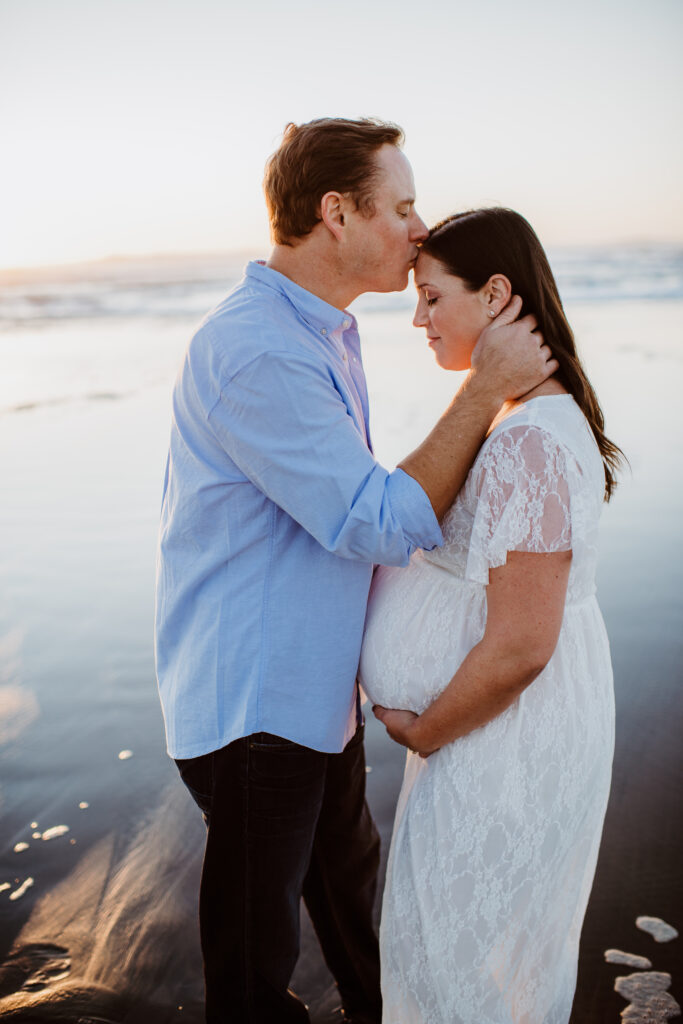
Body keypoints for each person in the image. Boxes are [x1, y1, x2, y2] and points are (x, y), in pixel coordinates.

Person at [154, 121, 556, 1024]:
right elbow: (372, 519)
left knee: (363, 930)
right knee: (255, 978)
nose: (420, 228)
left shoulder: (320, 331)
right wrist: (485, 388)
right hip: (255, 710)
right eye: (403, 206)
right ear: (336, 213)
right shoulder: (259, 348)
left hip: (314, 699)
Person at [360, 207, 624, 1024]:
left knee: (458, 963)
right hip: (503, 725)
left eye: (432, 297)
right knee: (484, 950)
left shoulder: (528, 442)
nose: (417, 319)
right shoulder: (525, 419)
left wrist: (425, 729)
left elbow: (519, 645)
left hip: (496, 732)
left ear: (496, 294)